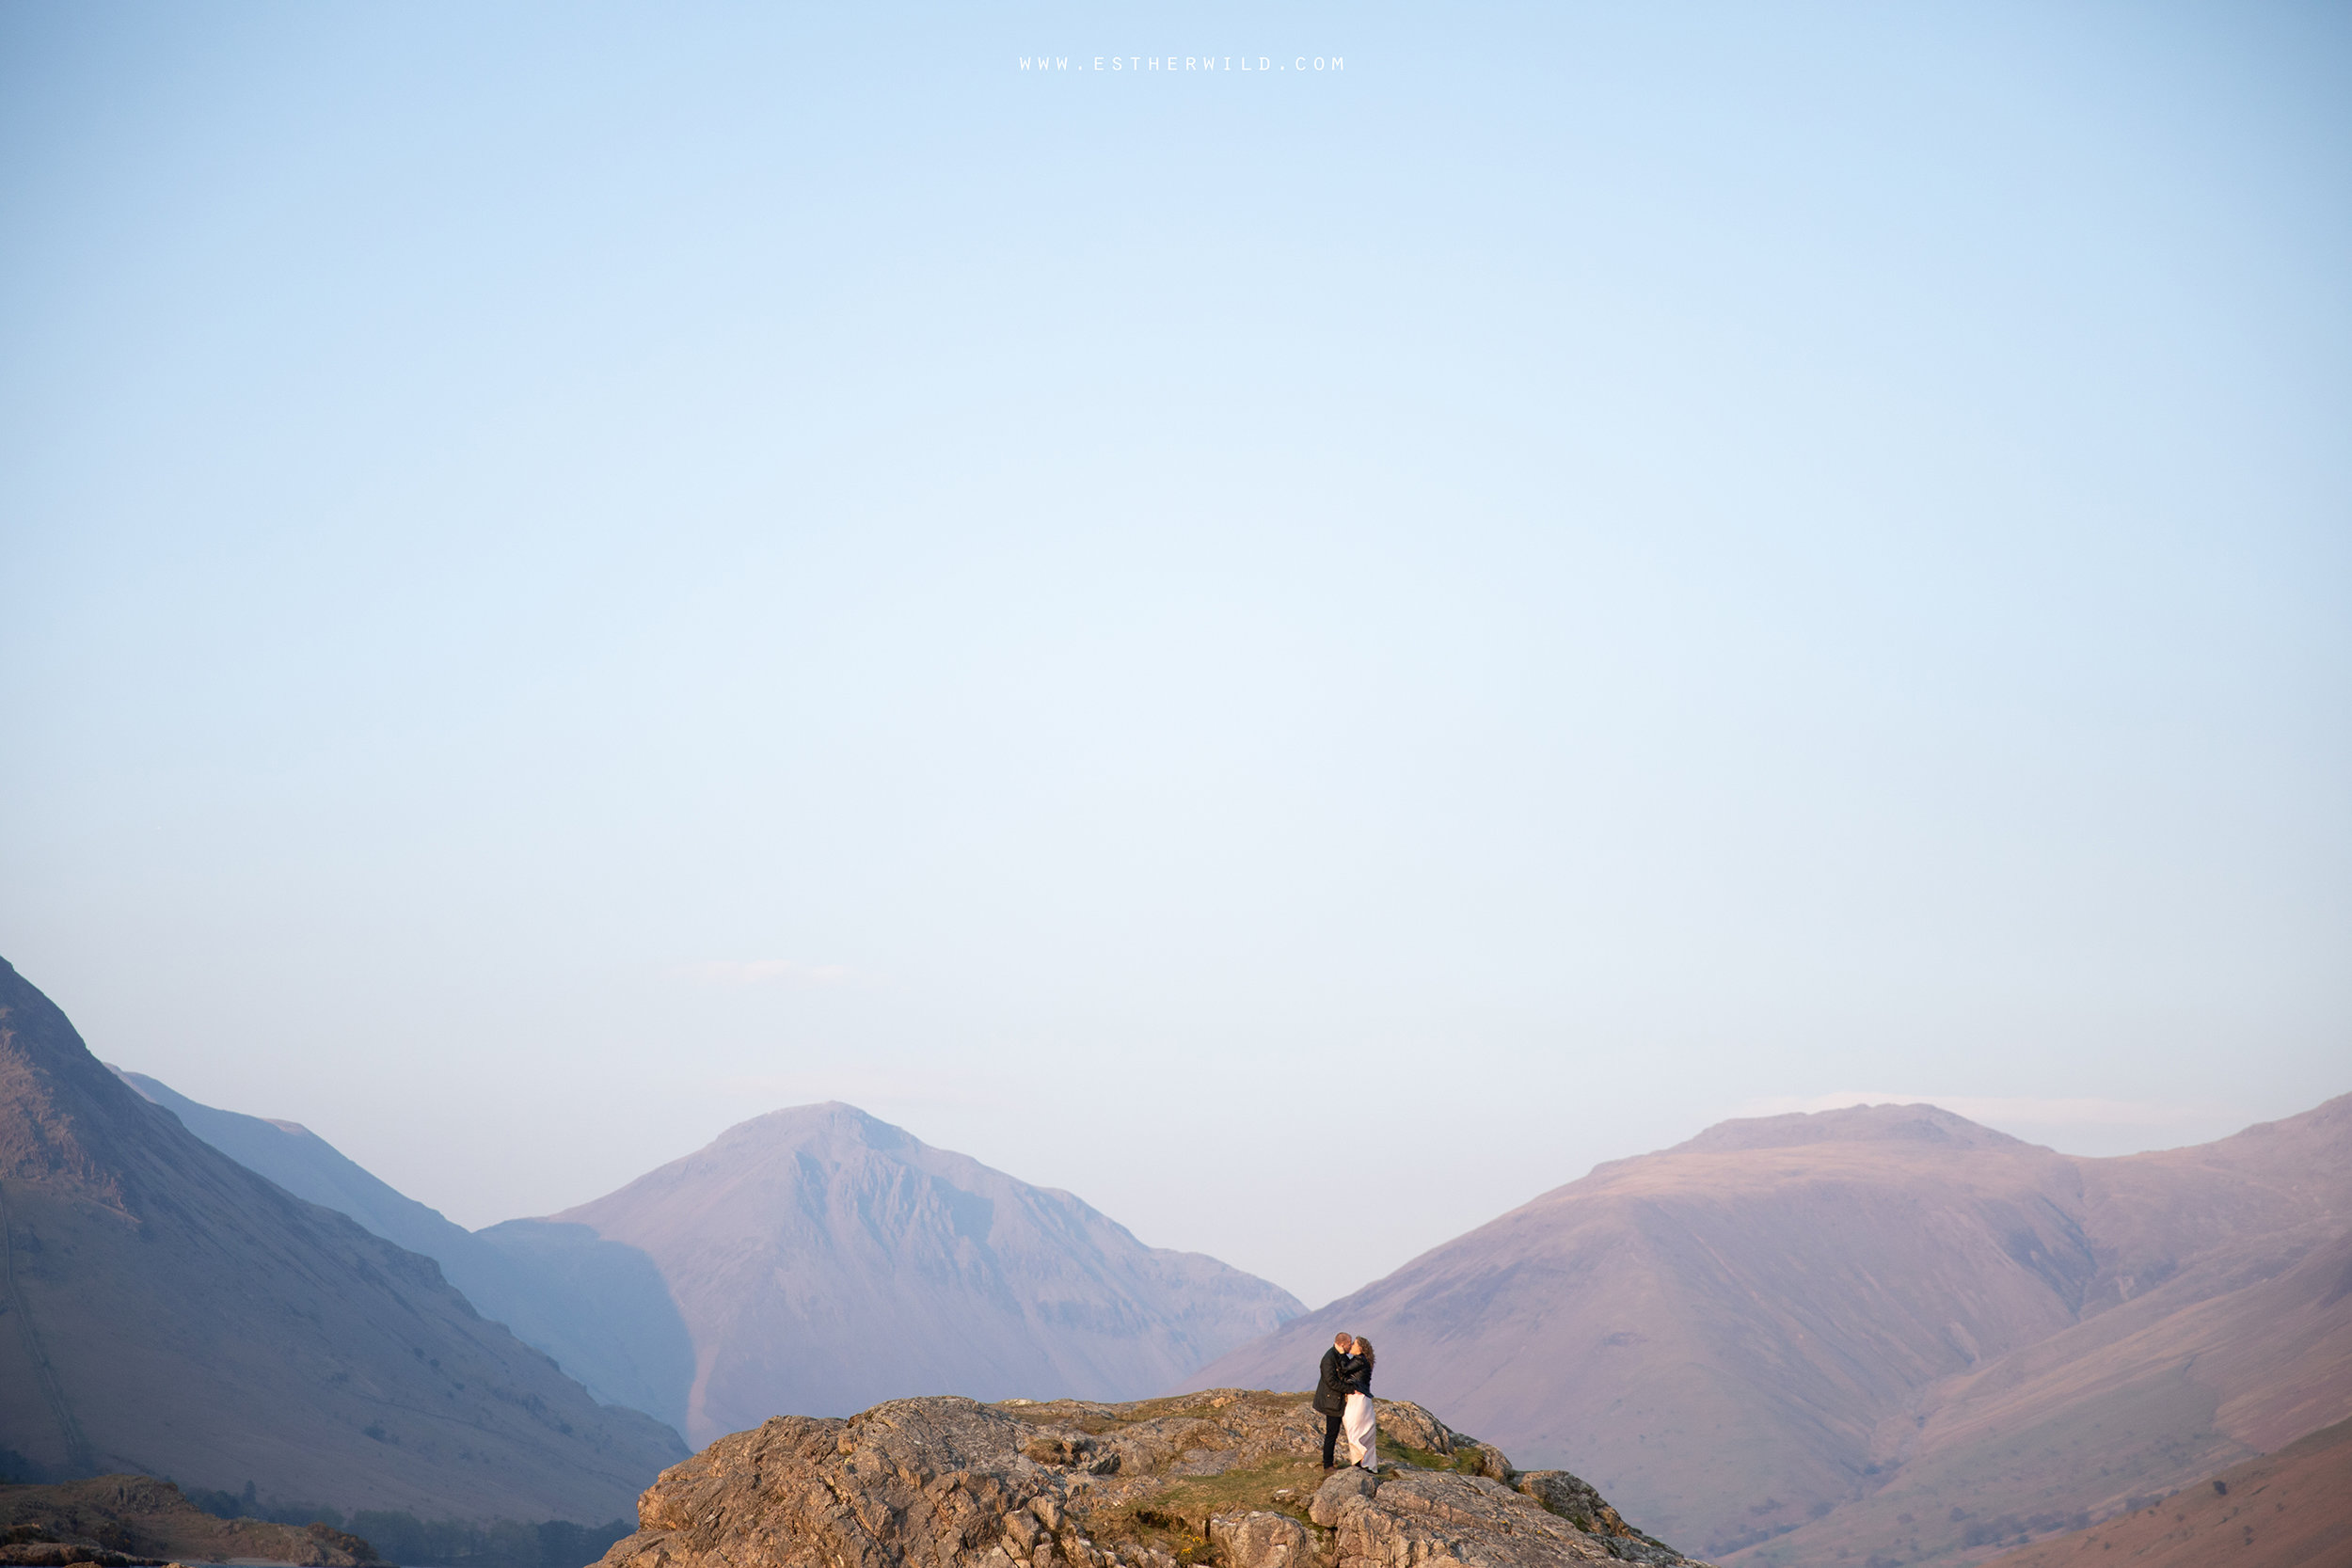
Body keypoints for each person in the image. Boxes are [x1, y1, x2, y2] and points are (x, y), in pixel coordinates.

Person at [1312, 1331, 1356, 1468]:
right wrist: (1351, 1389)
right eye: (1350, 1343)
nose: (1352, 1346)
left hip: (1337, 1400)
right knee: (1332, 1433)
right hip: (1332, 1402)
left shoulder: (1340, 1355)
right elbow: (1331, 1381)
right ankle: (1328, 1465)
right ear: (1343, 1344)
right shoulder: (1329, 1359)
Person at [1341, 1336, 1377, 1470]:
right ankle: (1366, 1463)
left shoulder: (1359, 1360)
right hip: (1362, 1400)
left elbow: (1344, 1369)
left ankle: (1359, 1461)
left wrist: (1340, 1353)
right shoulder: (1362, 1360)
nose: (1351, 1346)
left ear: (1360, 1348)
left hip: (1358, 1400)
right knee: (1362, 1431)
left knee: (1354, 1430)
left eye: (1354, 1344)